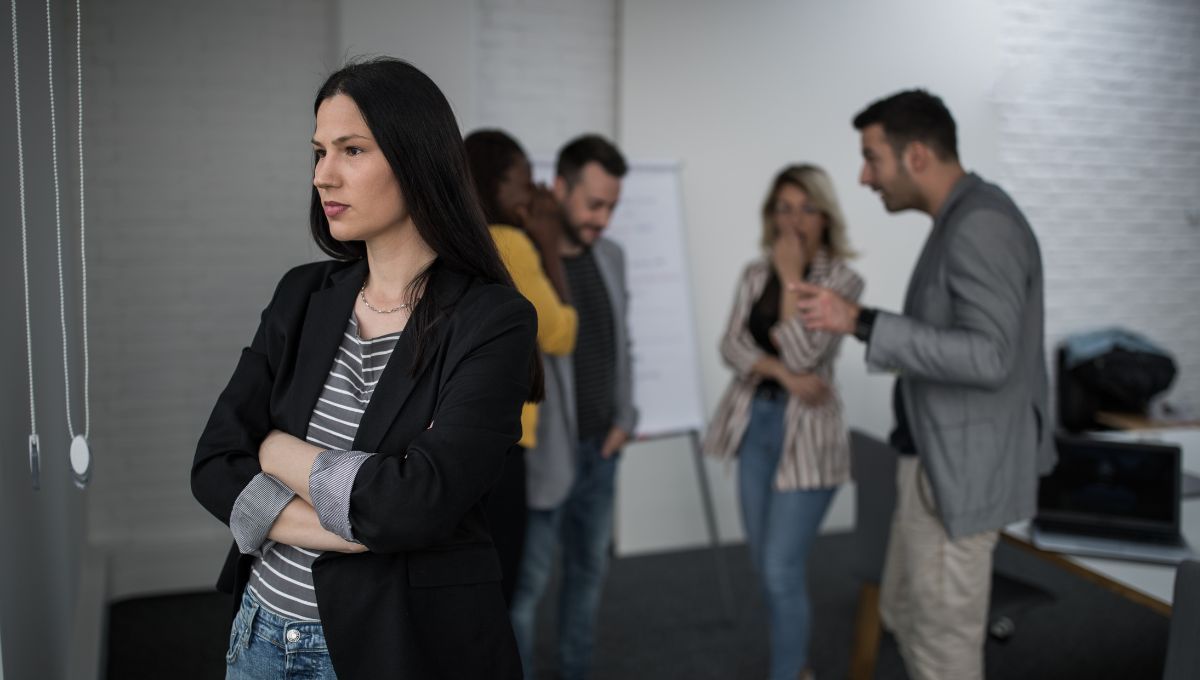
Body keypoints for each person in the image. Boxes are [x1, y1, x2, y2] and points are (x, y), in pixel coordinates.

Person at [191, 58, 539, 679]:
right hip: (259, 634)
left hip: (395, 647)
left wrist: (274, 449)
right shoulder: (302, 295)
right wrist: (354, 528)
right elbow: (215, 463)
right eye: (319, 152)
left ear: (417, 159)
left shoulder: (492, 320)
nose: (323, 175)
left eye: (352, 150)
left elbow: (415, 504)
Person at [793, 89, 1055, 680]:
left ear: (916, 156)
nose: (864, 176)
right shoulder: (957, 220)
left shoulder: (982, 223)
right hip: (933, 459)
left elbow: (990, 356)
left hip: (958, 468)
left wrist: (861, 322)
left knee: (942, 649)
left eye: (872, 158)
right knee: (908, 619)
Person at [703, 164, 862, 680]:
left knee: (779, 568)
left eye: (807, 209)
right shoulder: (755, 273)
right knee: (765, 565)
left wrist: (792, 280)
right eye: (784, 208)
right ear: (771, 216)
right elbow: (730, 345)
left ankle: (790, 672)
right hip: (755, 426)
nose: (794, 221)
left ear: (825, 216)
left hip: (808, 436)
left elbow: (806, 354)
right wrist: (779, 373)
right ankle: (797, 665)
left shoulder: (842, 281)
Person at [508, 134, 636, 680]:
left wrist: (625, 419)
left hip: (601, 450)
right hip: (544, 457)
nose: (603, 219)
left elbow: (620, 343)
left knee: (587, 575)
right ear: (560, 187)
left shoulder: (611, 257)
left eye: (612, 207)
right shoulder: (524, 261)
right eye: (594, 204)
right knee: (526, 587)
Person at [464, 129, 578, 606]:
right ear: (496, 185)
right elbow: (561, 334)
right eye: (525, 181)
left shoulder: (454, 242)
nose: (532, 194)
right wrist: (548, 243)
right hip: (502, 441)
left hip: (449, 432)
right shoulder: (510, 243)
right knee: (500, 585)